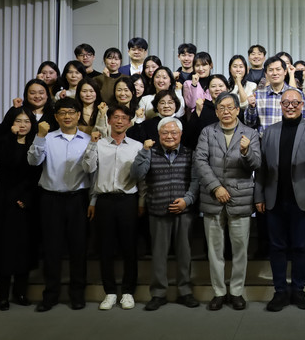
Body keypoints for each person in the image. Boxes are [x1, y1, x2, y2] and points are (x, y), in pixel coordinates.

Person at [255, 89, 305, 312]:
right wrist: (259, 195)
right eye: (286, 102)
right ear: (280, 105)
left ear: (302, 105)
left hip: (302, 200)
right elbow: (262, 168)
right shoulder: (269, 132)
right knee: (277, 247)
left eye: (295, 102)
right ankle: (280, 291)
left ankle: (298, 290)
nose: (290, 106)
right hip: (274, 199)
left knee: (300, 247)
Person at [195, 92, 261, 311]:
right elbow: (200, 162)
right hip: (212, 198)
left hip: (240, 199)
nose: (226, 111)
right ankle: (219, 292)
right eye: (221, 108)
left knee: (240, 249)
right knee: (215, 250)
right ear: (216, 111)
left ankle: (236, 291)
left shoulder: (250, 133)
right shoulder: (207, 132)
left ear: (237, 110)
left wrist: (246, 151)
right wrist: (216, 187)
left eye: (230, 107)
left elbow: (256, 164)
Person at [27, 97, 91, 312]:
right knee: (51, 248)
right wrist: (39, 136)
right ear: (56, 116)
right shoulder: (46, 137)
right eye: (62, 112)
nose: (67, 116)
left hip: (78, 199)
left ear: (78, 115)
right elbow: (33, 161)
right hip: (51, 199)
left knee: (78, 249)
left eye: (71, 112)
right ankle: (51, 295)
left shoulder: (88, 139)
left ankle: (77, 295)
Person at [131, 117, 198, 311]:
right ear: (158, 134)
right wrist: (144, 151)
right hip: (157, 210)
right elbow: (136, 174)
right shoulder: (150, 152)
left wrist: (187, 200)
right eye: (165, 133)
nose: (169, 136)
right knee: (159, 255)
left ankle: (185, 291)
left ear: (180, 134)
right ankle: (158, 294)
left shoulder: (190, 154)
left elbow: (196, 181)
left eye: (174, 132)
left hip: (184, 211)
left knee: (185, 254)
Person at [83, 105, 143, 311]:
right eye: (116, 117)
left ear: (129, 122)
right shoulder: (99, 144)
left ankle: (128, 292)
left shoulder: (136, 146)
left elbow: (142, 178)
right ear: (108, 121)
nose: (119, 121)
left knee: (129, 248)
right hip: (104, 200)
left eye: (124, 118)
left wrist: (141, 202)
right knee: (105, 248)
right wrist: (92, 202)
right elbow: (89, 170)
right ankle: (109, 292)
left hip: (128, 200)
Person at [0, 108, 41, 311]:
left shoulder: (36, 143)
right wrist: (11, 136)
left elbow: (36, 174)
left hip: (27, 201)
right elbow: (3, 165)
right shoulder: (2, 142)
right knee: (4, 249)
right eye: (18, 120)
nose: (23, 125)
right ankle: (2, 296)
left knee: (24, 248)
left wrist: (26, 198)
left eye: (27, 121)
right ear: (10, 122)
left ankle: (20, 292)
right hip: (4, 201)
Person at [245, 56, 305, 134]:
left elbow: (304, 122)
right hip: (265, 139)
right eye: (271, 70)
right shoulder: (258, 95)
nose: (274, 73)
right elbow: (249, 123)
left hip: (290, 138)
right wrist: (251, 107)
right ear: (266, 74)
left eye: (278, 69)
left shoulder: (297, 94)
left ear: (285, 72)